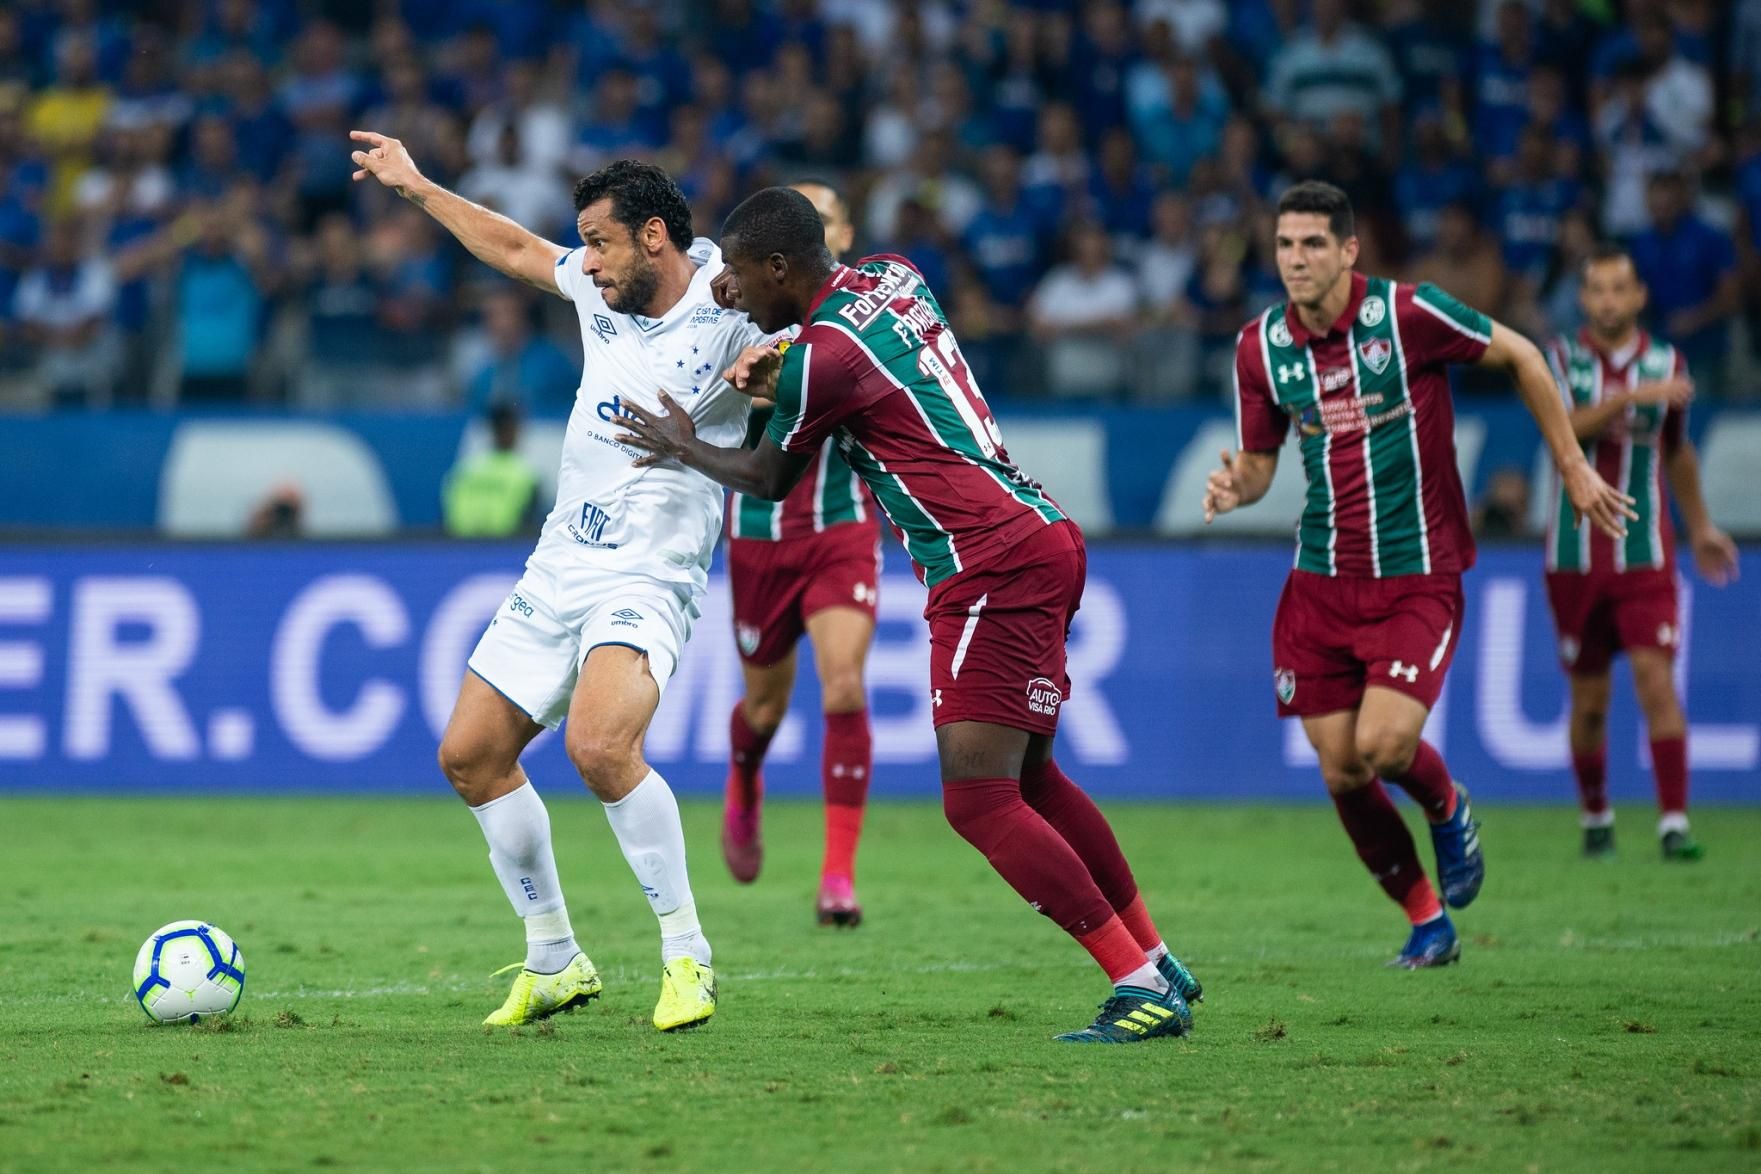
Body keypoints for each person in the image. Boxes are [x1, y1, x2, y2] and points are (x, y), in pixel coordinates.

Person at [614, 187, 1202, 1045]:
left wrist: (681, 443)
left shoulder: (821, 359)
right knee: (1031, 779)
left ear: (779, 267)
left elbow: (771, 477)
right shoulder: (893, 276)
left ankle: (1136, 981)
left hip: (985, 563)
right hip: (1036, 530)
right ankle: (1154, 955)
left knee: (977, 801)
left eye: (739, 276)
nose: (729, 292)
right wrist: (785, 364)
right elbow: (849, 366)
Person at [351, 132, 771, 1033]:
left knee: (601, 747)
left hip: (651, 567)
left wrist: (772, 369)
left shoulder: (736, 305)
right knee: (468, 756)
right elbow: (512, 248)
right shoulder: (595, 287)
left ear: (653, 236)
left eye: (600, 241)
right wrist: (418, 187)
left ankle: (687, 955)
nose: (585, 261)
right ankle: (554, 957)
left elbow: (820, 333)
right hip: (561, 558)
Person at [1201, 181, 1632, 969]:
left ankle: (1446, 804)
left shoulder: (1405, 316)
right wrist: (1238, 488)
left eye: (1312, 245)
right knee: (1340, 767)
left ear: (1347, 250)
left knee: (1386, 745)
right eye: (1285, 245)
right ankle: (1426, 918)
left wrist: (1569, 466)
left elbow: (1524, 356)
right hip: (1319, 580)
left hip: (1415, 574)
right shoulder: (1257, 348)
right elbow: (1261, 464)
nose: (1295, 260)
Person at [1542, 243, 1739, 861]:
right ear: (1583, 299)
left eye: (1617, 288)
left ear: (1638, 296)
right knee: (1590, 700)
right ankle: (1596, 814)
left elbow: (1677, 451)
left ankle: (1673, 823)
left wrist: (1702, 524)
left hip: (1646, 553)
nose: (1607, 300)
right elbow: (1563, 431)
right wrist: (1630, 398)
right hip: (1574, 556)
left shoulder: (1666, 360)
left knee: (1657, 682)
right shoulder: (1560, 358)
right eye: (1596, 289)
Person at [719, 180, 881, 927]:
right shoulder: (746, 310)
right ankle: (744, 779)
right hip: (758, 534)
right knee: (764, 705)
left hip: (839, 526)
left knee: (843, 686)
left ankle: (837, 877)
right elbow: (733, 415)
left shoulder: (863, 317)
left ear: (837, 234)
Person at [443, 401, 541, 538]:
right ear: (513, 430)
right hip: (505, 549)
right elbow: (528, 524)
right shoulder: (526, 476)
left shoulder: (465, 470)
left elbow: (447, 518)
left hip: (460, 549)